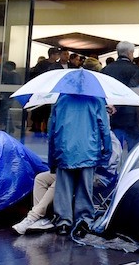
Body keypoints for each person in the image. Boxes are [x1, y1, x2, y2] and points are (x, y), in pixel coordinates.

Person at [48, 81, 112, 234]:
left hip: (64, 151)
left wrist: (52, 160)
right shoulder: (97, 101)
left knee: (63, 189)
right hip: (89, 151)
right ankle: (83, 221)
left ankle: (63, 223)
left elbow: (52, 132)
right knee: (85, 189)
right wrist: (106, 154)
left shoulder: (61, 101)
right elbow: (105, 130)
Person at [103, 41, 139, 151]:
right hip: (128, 111)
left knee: (114, 144)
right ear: (130, 53)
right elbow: (131, 89)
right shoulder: (134, 69)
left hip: (111, 110)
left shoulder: (107, 68)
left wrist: (113, 106)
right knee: (133, 146)